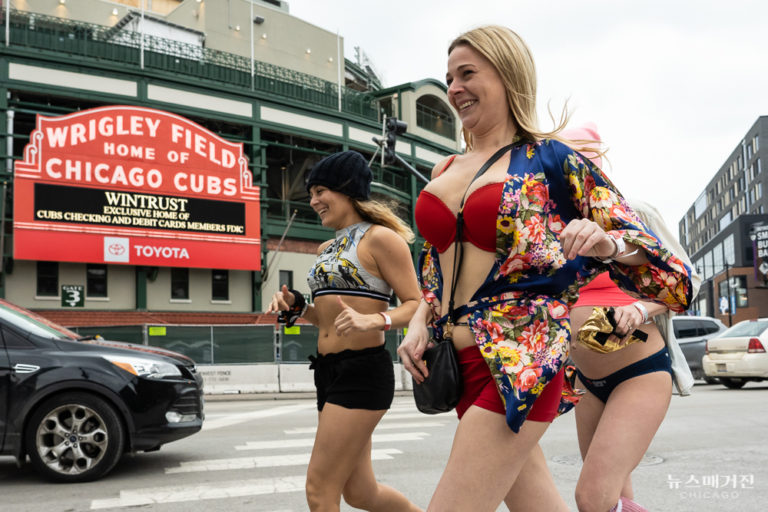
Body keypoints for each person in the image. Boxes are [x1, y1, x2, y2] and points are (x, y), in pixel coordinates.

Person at [397, 25, 694, 512]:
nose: (454, 88)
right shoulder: (445, 169)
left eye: (467, 73)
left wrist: (607, 242)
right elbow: (438, 268)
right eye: (448, 77)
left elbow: (659, 261)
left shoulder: (551, 160)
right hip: (459, 364)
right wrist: (418, 322)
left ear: (508, 73)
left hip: (519, 360)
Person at [267, 150, 422, 512]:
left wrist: (376, 320)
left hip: (362, 373)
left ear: (347, 189)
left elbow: (417, 304)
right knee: (361, 494)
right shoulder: (326, 248)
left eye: (321, 190)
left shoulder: (381, 239)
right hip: (328, 372)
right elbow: (327, 320)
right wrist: (296, 308)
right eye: (311, 193)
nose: (313, 201)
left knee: (319, 489)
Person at [563, 123, 702, 512]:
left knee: (592, 498)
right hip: (587, 380)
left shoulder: (633, 213)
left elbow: (686, 280)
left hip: (638, 368)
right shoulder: (554, 227)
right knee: (614, 497)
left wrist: (640, 307)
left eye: (584, 158)